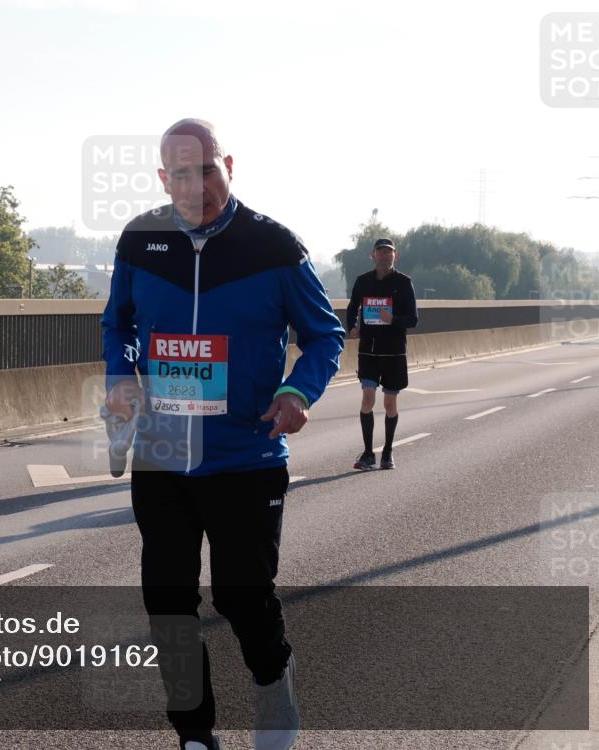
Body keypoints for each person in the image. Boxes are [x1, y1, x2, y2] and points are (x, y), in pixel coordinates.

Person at [102, 119, 344, 750]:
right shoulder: (140, 241)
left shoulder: (274, 246)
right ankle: (194, 735)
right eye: (181, 175)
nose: (196, 187)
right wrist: (121, 375)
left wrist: (298, 392)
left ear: (228, 166)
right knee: (168, 604)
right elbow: (118, 323)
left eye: (207, 171)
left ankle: (275, 691)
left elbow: (325, 335)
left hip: (246, 456)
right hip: (163, 456)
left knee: (242, 596)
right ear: (164, 179)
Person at [345, 238, 418, 471]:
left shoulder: (404, 283)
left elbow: (413, 319)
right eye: (381, 252)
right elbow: (352, 307)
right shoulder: (363, 281)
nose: (385, 256)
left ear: (395, 256)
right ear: (373, 255)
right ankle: (368, 453)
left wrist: (393, 319)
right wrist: (352, 327)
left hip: (393, 352)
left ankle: (387, 452)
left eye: (389, 252)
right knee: (368, 399)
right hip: (368, 350)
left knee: (389, 403)